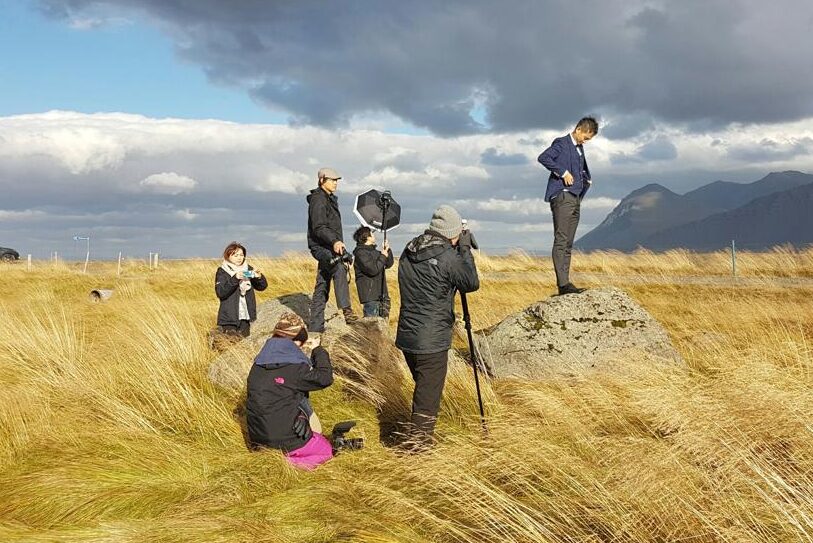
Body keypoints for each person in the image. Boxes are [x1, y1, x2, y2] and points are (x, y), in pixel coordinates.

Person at [395, 205, 480, 446]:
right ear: (453, 231)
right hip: (431, 339)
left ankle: (416, 435)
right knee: (427, 398)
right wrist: (464, 249)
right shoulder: (447, 256)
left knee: (423, 390)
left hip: (408, 335)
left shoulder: (410, 249)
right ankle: (418, 449)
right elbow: (471, 283)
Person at [246, 312, 335, 470]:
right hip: (285, 439)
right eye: (301, 345)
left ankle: (271, 458)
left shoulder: (257, 365)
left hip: (258, 442)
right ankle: (284, 464)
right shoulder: (295, 368)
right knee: (326, 451)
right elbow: (325, 378)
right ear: (296, 342)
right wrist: (317, 350)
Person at [538, 116, 599, 295]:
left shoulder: (579, 148)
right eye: (586, 137)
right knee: (561, 240)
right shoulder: (562, 143)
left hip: (575, 198)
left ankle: (566, 284)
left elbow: (580, 168)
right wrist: (562, 172)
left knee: (568, 243)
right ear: (579, 129)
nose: (586, 141)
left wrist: (586, 181)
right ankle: (563, 284)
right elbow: (543, 157)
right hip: (563, 196)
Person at [306, 167, 359, 332]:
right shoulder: (318, 199)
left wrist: (340, 247)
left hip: (330, 246)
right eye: (332, 180)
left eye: (337, 180)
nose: (335, 183)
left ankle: (315, 326)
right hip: (322, 247)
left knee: (322, 284)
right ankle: (347, 311)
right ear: (322, 180)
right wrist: (335, 241)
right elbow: (318, 227)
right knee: (337, 267)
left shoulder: (329, 199)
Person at [215, 241, 268, 337]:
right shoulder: (222, 271)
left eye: (241, 255)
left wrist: (259, 277)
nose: (239, 258)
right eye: (235, 255)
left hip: (245, 316)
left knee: (243, 345)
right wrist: (235, 278)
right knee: (229, 345)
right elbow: (221, 292)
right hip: (229, 317)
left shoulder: (248, 269)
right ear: (228, 256)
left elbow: (262, 287)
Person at [352, 226, 394, 318]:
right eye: (372, 233)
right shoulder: (360, 253)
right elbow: (373, 270)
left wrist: (387, 250)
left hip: (382, 295)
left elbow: (389, 264)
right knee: (372, 327)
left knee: (383, 326)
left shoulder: (375, 252)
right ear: (367, 237)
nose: (374, 235)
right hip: (370, 296)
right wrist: (382, 256)